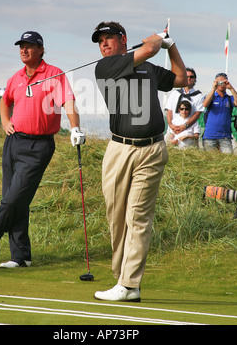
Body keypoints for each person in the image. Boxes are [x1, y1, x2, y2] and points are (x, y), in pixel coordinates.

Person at [92, 21, 187, 302]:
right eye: (100, 41)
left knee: (138, 217)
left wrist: (171, 46)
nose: (104, 44)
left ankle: (130, 284)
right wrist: (158, 39)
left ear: (123, 39)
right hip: (119, 150)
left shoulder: (147, 68)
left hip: (152, 151)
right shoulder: (105, 67)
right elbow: (149, 48)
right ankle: (122, 275)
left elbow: (180, 78)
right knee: (117, 218)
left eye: (108, 38)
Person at [0, 31, 85, 268]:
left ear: (41, 49)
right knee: (15, 199)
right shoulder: (16, 77)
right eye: (21, 46)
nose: (24, 49)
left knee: (14, 197)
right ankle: (21, 257)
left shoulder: (54, 74)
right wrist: (5, 121)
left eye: (29, 46)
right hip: (13, 142)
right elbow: (4, 100)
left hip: (39, 145)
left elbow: (68, 101)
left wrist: (75, 127)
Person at [202, 72, 237, 153]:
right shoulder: (211, 97)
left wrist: (231, 88)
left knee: (227, 161)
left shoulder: (229, 98)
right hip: (210, 136)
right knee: (210, 161)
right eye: (219, 82)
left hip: (225, 137)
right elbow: (205, 104)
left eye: (223, 82)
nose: (221, 84)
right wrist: (213, 88)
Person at [165, 67, 204, 137]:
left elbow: (197, 114)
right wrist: (171, 125)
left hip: (188, 133)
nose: (189, 78)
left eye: (191, 77)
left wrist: (185, 126)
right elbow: (169, 111)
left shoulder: (199, 96)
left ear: (195, 79)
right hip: (172, 132)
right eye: (186, 76)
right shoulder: (174, 93)